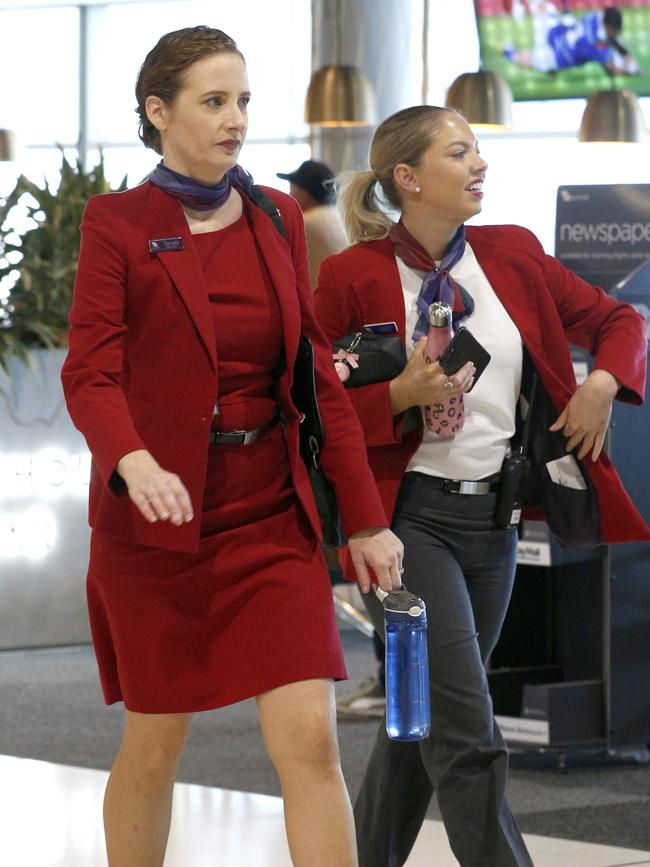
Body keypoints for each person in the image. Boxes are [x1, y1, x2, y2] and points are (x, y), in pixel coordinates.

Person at [60, 26, 403, 867]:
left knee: (313, 747)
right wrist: (132, 461)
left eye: (242, 100)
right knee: (154, 748)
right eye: (214, 102)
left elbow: (317, 381)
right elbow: (89, 375)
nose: (235, 119)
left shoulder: (275, 216)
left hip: (269, 518)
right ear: (157, 111)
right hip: (159, 534)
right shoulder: (118, 223)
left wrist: (364, 520)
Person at [314, 104, 650, 867]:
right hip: (403, 525)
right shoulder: (351, 276)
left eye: (476, 151)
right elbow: (314, 403)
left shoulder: (513, 254)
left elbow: (620, 321)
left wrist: (602, 380)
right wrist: (397, 395)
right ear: (408, 178)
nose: (479, 165)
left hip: (493, 527)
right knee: (468, 735)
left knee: (420, 720)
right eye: (458, 152)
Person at [503, 3, 641, 76]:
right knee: (527, 61)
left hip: (555, 32)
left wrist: (625, 55)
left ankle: (517, 7)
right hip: (555, 56)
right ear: (609, 27)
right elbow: (613, 70)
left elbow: (611, 39)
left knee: (542, 6)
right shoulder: (599, 46)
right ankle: (504, 50)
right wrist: (632, 71)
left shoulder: (595, 16)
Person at [277, 159, 348, 289]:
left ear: (304, 194)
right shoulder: (340, 216)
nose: (289, 194)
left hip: (318, 303)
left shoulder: (305, 223)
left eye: (291, 188)